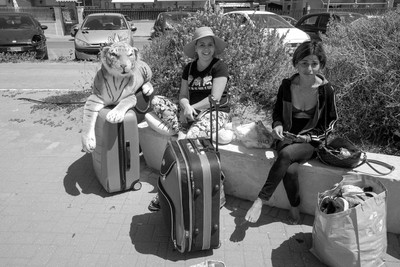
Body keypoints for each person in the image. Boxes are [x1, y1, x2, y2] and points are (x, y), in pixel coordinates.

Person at [245, 40, 338, 224]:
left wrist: (310, 137)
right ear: (296, 63)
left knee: (286, 154)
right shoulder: (286, 85)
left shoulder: (326, 90)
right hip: (286, 136)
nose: (309, 69)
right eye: (304, 63)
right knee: (290, 169)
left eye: (314, 64)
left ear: (321, 65)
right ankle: (295, 206)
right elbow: (277, 112)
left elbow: (331, 123)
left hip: (310, 141)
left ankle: (260, 200)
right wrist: (277, 125)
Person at [148, 26, 230, 212]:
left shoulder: (219, 66)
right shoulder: (189, 68)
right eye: (202, 44)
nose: (206, 48)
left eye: (210, 44)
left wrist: (191, 108)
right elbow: (183, 95)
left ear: (214, 47)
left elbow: (215, 99)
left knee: (186, 141)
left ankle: (165, 188)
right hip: (190, 113)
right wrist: (185, 106)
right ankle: (181, 129)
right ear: (195, 48)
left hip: (215, 112)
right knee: (157, 101)